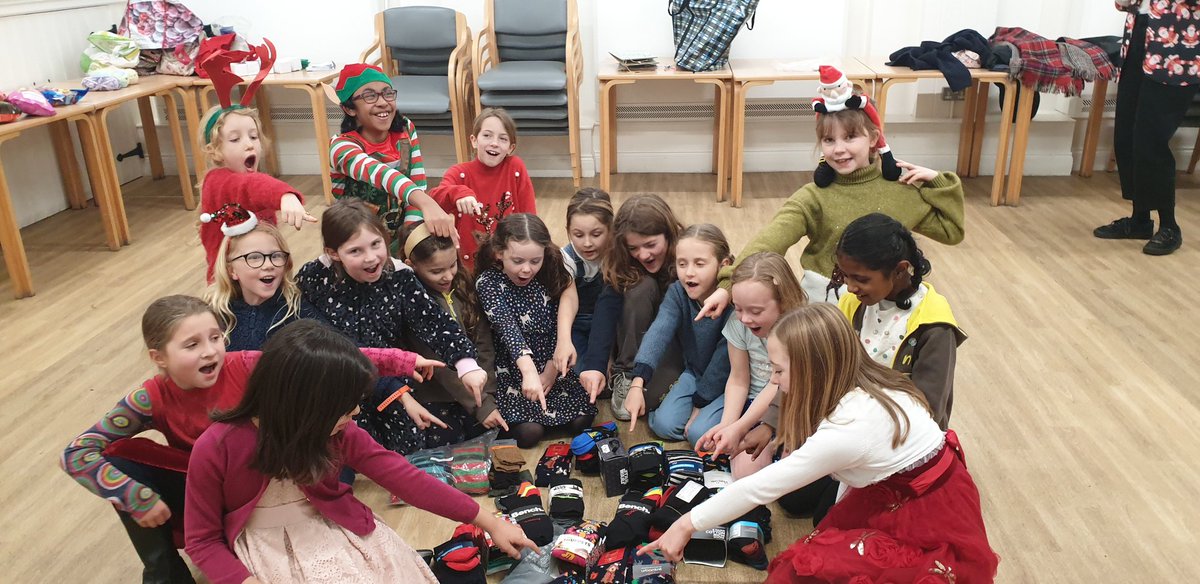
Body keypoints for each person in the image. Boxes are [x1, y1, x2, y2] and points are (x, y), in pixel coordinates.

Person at [639, 304, 998, 583]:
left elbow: (758, 488)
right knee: (825, 540)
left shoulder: (848, 427)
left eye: (778, 370)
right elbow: (859, 469)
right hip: (917, 490)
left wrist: (684, 525)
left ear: (814, 370)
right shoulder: (870, 386)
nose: (775, 381)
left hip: (924, 515)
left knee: (799, 569)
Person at [184, 320, 535, 584]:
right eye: (346, 406)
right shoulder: (217, 446)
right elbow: (201, 541)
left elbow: (406, 478)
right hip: (267, 555)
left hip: (340, 531)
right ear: (304, 406)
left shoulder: (340, 432)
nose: (354, 414)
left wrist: (488, 521)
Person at [697, 107, 965, 319]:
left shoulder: (901, 192)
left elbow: (951, 231)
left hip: (889, 310)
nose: (838, 149)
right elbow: (769, 242)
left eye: (850, 137)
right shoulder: (813, 197)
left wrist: (938, 181)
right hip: (827, 309)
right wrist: (728, 286)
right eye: (828, 139)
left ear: (873, 138)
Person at [297, 199, 488, 455]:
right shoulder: (315, 278)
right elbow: (317, 341)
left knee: (413, 446)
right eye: (355, 251)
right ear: (333, 253)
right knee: (346, 454)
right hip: (340, 385)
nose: (371, 257)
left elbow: (433, 321)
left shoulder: (398, 276)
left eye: (376, 244)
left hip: (391, 379)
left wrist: (467, 365)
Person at [196, 39, 314, 283]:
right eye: (235, 139)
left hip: (258, 273)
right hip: (228, 285)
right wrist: (286, 196)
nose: (249, 144)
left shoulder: (248, 176)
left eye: (253, 136)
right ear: (215, 151)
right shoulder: (218, 181)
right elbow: (251, 187)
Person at [475, 213, 596, 448]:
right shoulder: (488, 282)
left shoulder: (549, 270)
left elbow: (557, 323)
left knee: (584, 420)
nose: (527, 270)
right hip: (514, 367)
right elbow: (507, 329)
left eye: (535, 261)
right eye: (518, 261)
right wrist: (529, 373)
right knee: (529, 433)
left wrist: (551, 369)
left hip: (549, 361)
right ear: (499, 253)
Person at [1094, 0, 1200, 255]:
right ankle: (1140, 219)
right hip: (1139, 35)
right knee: (1127, 134)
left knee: (1151, 138)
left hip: (1178, 46)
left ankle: (1169, 226)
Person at [695, 252, 807, 478]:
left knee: (792, 477)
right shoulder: (738, 324)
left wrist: (741, 426)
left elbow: (777, 387)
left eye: (755, 311)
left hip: (791, 404)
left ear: (784, 302)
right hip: (752, 402)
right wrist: (728, 425)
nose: (745, 318)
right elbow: (738, 379)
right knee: (730, 458)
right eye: (737, 308)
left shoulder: (799, 329)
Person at [623, 224, 734, 446]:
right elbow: (659, 331)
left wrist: (699, 405)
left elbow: (723, 363)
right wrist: (637, 382)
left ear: (724, 265)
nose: (689, 272)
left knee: (697, 435)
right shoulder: (678, 293)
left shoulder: (732, 304)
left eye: (699, 264)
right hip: (694, 373)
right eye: (682, 264)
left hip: (729, 383)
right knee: (662, 425)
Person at [397, 221, 509, 437]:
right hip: (435, 393)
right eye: (436, 271)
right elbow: (438, 365)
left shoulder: (464, 287)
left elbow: (483, 342)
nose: (448, 276)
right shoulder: (413, 302)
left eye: (452, 266)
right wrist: (481, 405)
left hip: (477, 389)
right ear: (412, 265)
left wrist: (487, 394)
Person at [327, 63, 455, 247]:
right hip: (356, 241)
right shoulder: (341, 147)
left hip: (398, 236)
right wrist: (426, 202)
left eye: (387, 93)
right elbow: (380, 174)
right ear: (349, 109)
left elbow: (416, 180)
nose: (382, 102)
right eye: (369, 96)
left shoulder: (405, 129)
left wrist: (409, 237)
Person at [602, 194, 685, 422]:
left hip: (671, 346)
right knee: (640, 285)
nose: (643, 255)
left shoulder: (687, 259)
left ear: (669, 235)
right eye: (633, 248)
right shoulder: (621, 263)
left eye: (650, 245)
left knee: (648, 404)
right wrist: (605, 359)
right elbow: (606, 315)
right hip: (632, 346)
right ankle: (625, 374)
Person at [430, 108, 536, 270]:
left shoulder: (515, 167)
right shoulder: (459, 173)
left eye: (503, 138)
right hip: (469, 265)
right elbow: (434, 198)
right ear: (474, 140)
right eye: (487, 135)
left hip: (511, 263)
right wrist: (459, 193)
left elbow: (529, 215)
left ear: (511, 147)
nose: (494, 142)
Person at [204, 219, 318, 352]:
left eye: (276, 256)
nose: (269, 265)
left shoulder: (298, 311)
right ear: (232, 271)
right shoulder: (214, 313)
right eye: (254, 257)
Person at [561, 187, 621, 401]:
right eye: (578, 235)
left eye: (596, 234)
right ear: (568, 230)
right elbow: (568, 301)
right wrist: (564, 340)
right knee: (581, 382)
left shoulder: (616, 255)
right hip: (578, 324)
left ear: (610, 229)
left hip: (612, 325)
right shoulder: (566, 258)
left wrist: (608, 355)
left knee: (608, 379)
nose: (587, 243)